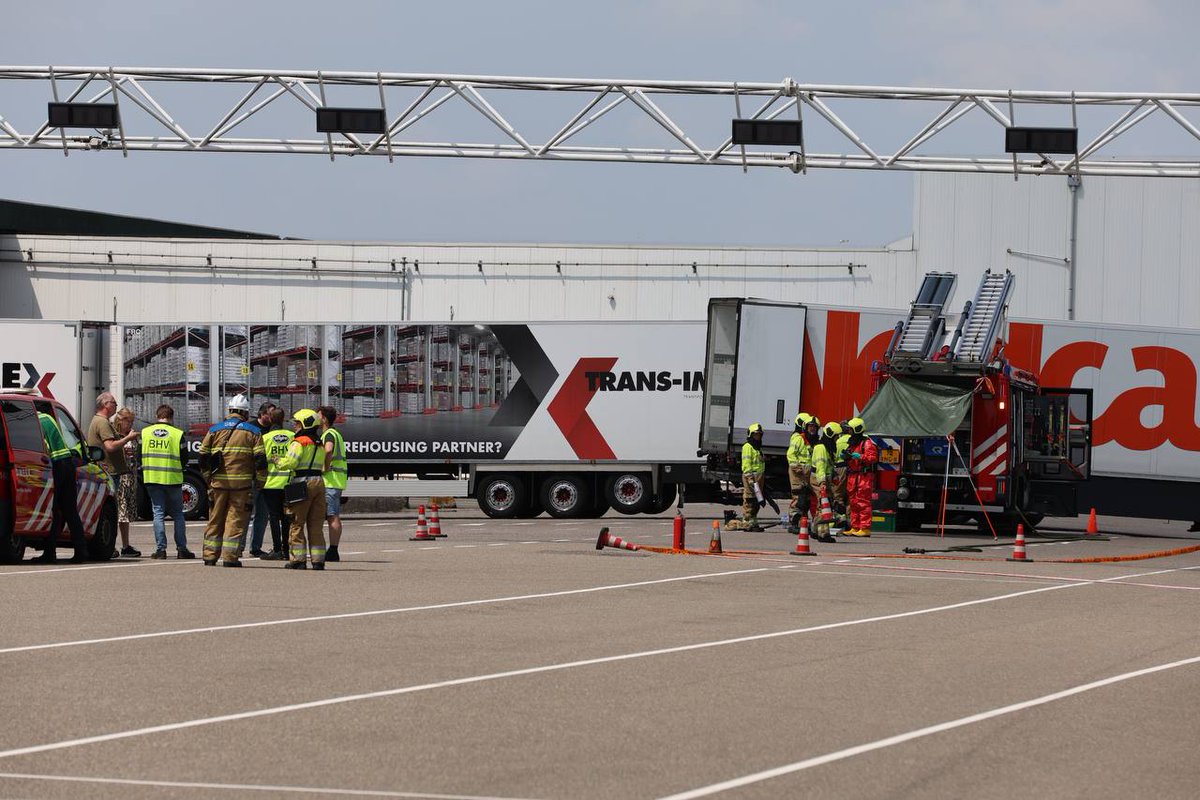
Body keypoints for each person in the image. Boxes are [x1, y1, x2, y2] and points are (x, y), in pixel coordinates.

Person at [198, 394, 264, 567]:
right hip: (241, 486)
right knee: (235, 521)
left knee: (215, 519)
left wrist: (207, 478)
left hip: (218, 484)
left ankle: (209, 556)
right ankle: (230, 557)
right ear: (245, 413)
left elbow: (203, 456)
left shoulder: (214, 429)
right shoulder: (253, 431)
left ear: (229, 410)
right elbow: (260, 460)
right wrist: (260, 481)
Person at [86, 392, 140, 558]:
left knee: (110, 511)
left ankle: (110, 546)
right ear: (105, 404)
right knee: (110, 512)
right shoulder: (102, 423)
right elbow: (110, 447)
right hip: (109, 472)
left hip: (112, 472)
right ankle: (109, 546)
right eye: (114, 403)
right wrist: (128, 438)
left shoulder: (100, 421)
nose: (115, 407)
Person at [140, 404, 195, 559]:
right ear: (171, 417)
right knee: (178, 514)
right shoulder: (177, 434)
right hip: (173, 479)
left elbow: (139, 456)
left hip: (152, 478)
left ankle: (161, 550)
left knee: (158, 513)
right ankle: (182, 549)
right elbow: (185, 458)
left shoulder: (145, 433)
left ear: (157, 416)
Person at [35, 409, 89, 564]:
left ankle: (50, 553)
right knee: (70, 510)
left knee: (53, 510)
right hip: (67, 463)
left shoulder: (35, 422)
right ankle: (81, 551)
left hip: (56, 466)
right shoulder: (46, 417)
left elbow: (42, 446)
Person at [276, 409, 327, 570]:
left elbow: (291, 463)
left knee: (296, 523)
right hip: (319, 483)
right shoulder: (319, 443)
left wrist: (278, 461)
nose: (294, 426)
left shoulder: (299, 442)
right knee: (316, 525)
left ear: (305, 424)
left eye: (297, 423)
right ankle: (318, 561)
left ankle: (298, 560)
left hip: (302, 484)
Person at [258, 407, 294, 560]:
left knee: (274, 517)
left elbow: (260, 460)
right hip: (289, 483)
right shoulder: (293, 436)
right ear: (284, 419)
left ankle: (277, 549)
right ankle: (287, 550)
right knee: (287, 518)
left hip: (271, 483)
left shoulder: (265, 438)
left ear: (270, 419)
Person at [245, 402, 278, 558]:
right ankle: (237, 547)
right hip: (252, 478)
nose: (272, 417)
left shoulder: (274, 430)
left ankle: (255, 547)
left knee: (263, 515)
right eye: (270, 414)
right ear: (262, 414)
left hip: (268, 479)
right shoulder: (251, 428)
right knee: (245, 515)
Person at [112, 407, 143, 558]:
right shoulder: (114, 435)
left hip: (131, 477)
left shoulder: (132, 436)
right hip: (119, 477)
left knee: (126, 516)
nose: (130, 424)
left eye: (132, 421)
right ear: (120, 420)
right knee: (118, 512)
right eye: (127, 421)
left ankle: (125, 545)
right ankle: (111, 544)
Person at [842, 417, 879, 537]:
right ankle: (855, 526)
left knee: (863, 502)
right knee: (853, 502)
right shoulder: (852, 442)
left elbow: (873, 458)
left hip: (863, 476)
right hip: (853, 475)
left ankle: (865, 528)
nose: (849, 432)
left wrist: (860, 456)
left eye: (851, 430)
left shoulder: (867, 443)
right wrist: (846, 456)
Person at [319, 405, 347, 562]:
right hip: (336, 481)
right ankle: (332, 549)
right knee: (332, 515)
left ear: (323, 418)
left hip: (329, 481)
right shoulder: (336, 433)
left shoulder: (329, 434)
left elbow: (328, 450)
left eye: (318, 416)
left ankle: (333, 550)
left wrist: (325, 466)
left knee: (332, 516)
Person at [809, 421, 842, 543]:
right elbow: (821, 467)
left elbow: (828, 465)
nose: (837, 439)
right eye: (836, 436)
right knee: (823, 505)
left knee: (822, 505)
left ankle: (815, 530)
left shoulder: (827, 447)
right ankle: (823, 533)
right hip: (819, 479)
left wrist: (833, 476)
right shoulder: (821, 448)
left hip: (824, 479)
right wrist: (822, 483)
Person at [786, 413, 818, 533]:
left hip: (808, 473)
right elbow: (791, 454)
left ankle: (802, 522)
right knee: (798, 497)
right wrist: (796, 468)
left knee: (806, 498)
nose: (812, 429)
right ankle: (794, 522)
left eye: (814, 427)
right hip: (798, 472)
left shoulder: (812, 440)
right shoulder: (798, 438)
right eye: (809, 426)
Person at [736, 423, 766, 532]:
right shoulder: (747, 447)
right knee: (749, 499)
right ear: (751, 435)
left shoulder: (757, 448)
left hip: (759, 477)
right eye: (756, 435)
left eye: (759, 435)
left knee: (757, 500)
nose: (758, 437)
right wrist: (750, 478)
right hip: (751, 477)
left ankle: (753, 520)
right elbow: (746, 464)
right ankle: (747, 521)